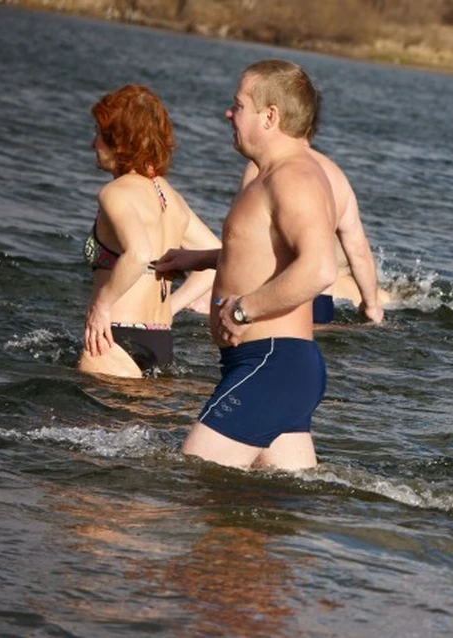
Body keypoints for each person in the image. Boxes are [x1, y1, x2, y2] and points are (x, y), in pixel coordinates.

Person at [157, 59, 382, 470]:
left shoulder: (293, 177)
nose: (228, 114)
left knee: (188, 479)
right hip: (272, 366)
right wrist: (199, 259)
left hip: (270, 364)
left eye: (238, 105)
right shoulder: (273, 174)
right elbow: (261, 253)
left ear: (270, 116)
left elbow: (318, 269)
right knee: (260, 513)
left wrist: (245, 309)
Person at [78, 85, 219, 379]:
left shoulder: (115, 193)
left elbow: (139, 253)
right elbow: (215, 261)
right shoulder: (168, 196)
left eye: (101, 134)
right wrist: (171, 307)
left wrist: (100, 306)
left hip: (113, 338)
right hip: (161, 339)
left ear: (121, 140)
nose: (94, 143)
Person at [240, 156, 390, 325]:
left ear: (271, 127)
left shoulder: (261, 168)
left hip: (275, 291)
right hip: (321, 299)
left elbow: (247, 242)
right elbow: (358, 249)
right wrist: (371, 305)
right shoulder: (335, 175)